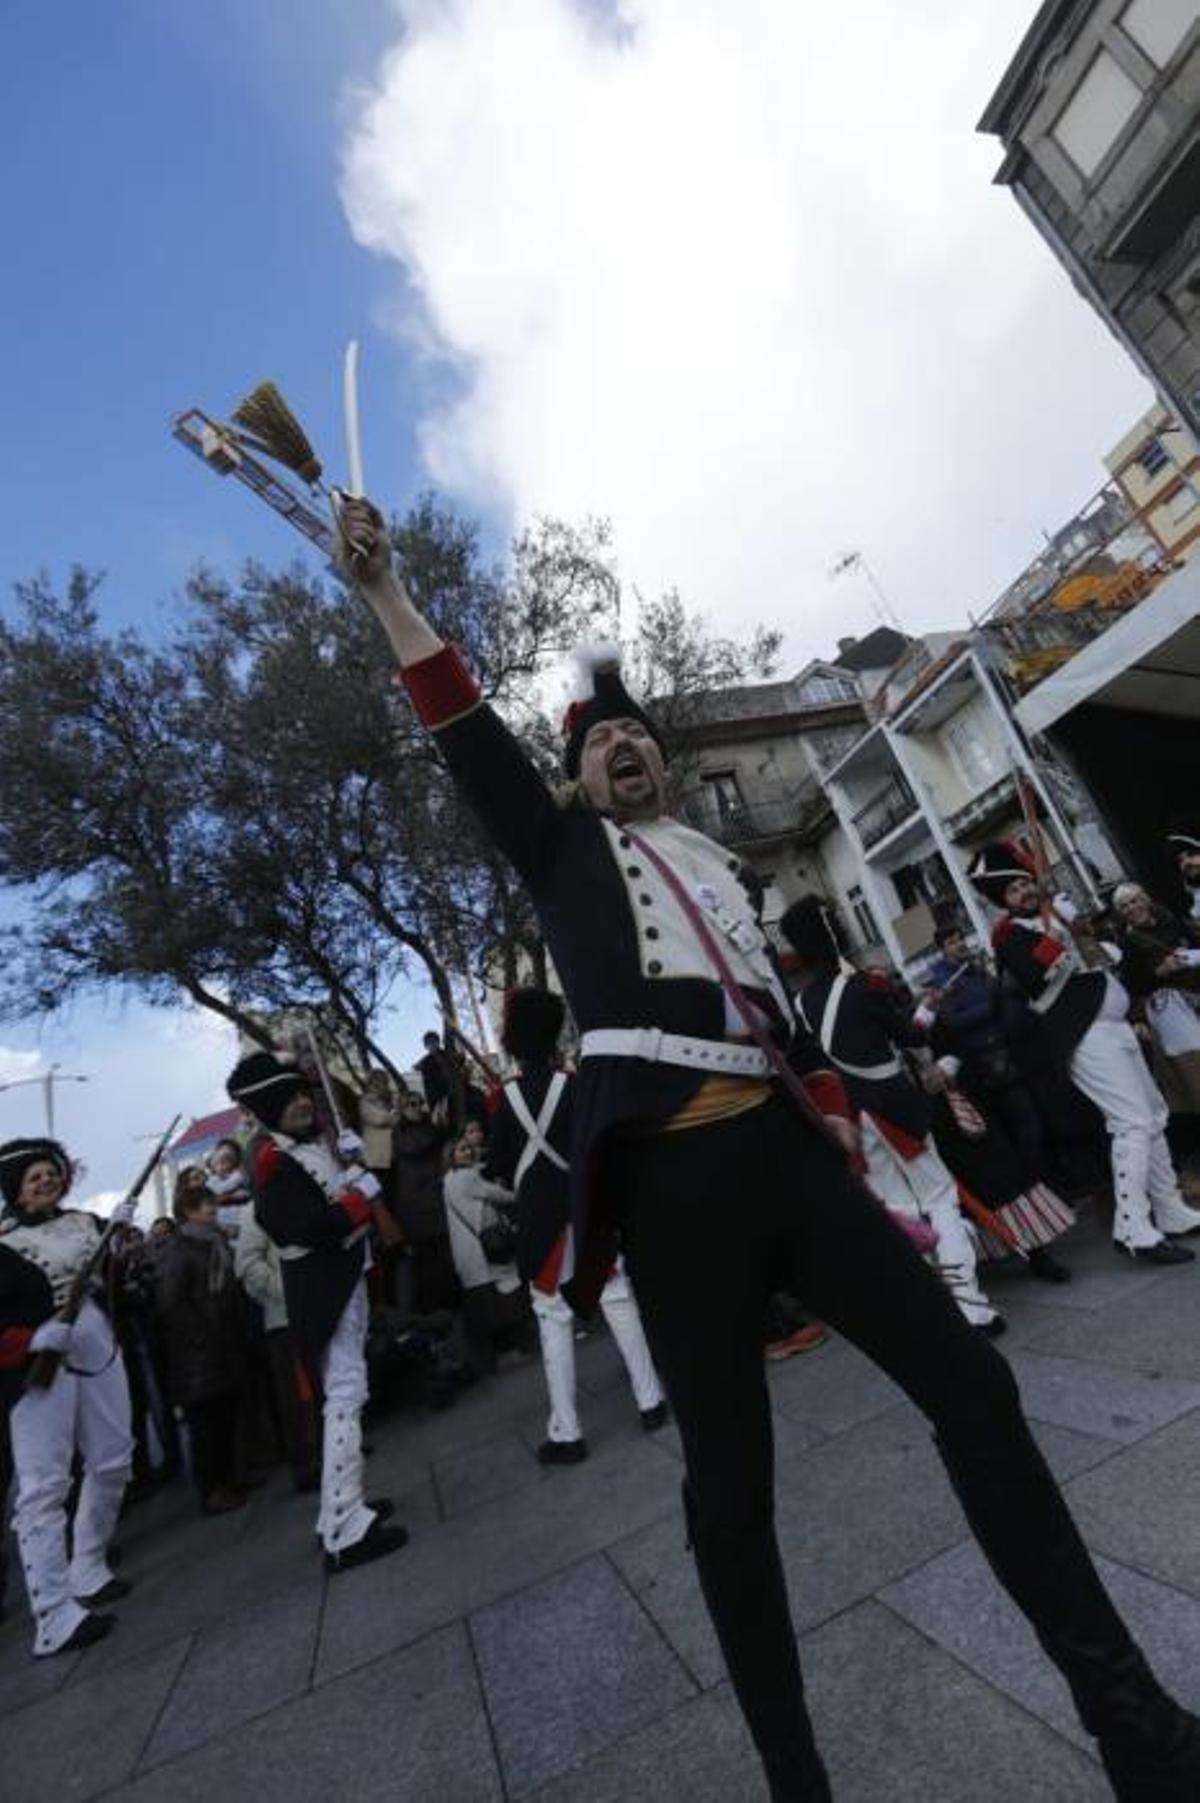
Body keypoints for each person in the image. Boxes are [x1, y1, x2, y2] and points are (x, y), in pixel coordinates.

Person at [339, 491, 1200, 1799]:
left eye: (638, 734)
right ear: (576, 778)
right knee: (732, 1494)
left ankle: (1133, 1721)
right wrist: (386, 592)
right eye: (600, 740)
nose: (624, 744)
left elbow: (784, 1034)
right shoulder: (561, 848)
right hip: (674, 1190)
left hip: (789, 1163)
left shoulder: (717, 866)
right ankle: (797, 1779)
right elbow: (465, 732)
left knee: (976, 1390)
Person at [968, 841, 1200, 1265]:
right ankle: (1132, 1227)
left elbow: (1106, 959)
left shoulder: (1054, 917)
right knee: (1130, 1123)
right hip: (1082, 1035)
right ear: (1003, 900)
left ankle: (1170, 1210)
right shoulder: (1009, 934)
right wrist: (1060, 931)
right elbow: (1036, 974)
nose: (1025, 891)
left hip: (1115, 1025)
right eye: (1014, 889)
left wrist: (1077, 928)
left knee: (1153, 1116)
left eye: (1025, 882)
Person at [781, 896, 1003, 1334]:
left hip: (852, 1116)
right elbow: (911, 1035)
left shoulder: (801, 1004)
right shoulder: (866, 984)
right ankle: (970, 1307)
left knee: (900, 1210)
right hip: (893, 1107)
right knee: (939, 1198)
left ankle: (932, 1311)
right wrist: (927, 1009)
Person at [227, 1049, 408, 1572]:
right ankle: (346, 1526)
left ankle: (338, 1511)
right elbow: (302, 1226)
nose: (302, 1104)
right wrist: (357, 1197)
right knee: (345, 1396)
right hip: (322, 1286)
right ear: (269, 1110)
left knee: (348, 1393)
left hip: (343, 1277)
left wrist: (355, 1166)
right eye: (289, 1100)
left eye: (302, 1095)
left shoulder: (307, 1149)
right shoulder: (272, 1161)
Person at [486, 985, 666, 1462]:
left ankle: (567, 1432)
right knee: (617, 1298)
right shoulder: (576, 1084)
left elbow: (498, 1163)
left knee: (553, 1319)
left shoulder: (503, 1100)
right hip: (585, 1209)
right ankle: (651, 1402)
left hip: (540, 1221)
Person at [0, 1138, 133, 1656]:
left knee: (114, 1456)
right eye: (33, 1177)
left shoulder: (83, 1223)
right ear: (15, 1191)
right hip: (35, 1357)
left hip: (93, 1334)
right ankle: (52, 1612)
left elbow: (112, 1279)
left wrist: (117, 1240)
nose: (45, 1181)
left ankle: (89, 1566)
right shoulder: (4, 1242)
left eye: (49, 1173)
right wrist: (29, 1341)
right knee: (44, 1484)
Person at [156, 1179, 248, 1516]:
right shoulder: (179, 1249)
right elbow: (170, 1301)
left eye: (211, 1202)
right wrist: (200, 1334)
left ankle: (230, 1480)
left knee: (224, 1419)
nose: (211, 1209)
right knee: (205, 1427)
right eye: (203, 1204)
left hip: (222, 1344)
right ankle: (212, 1490)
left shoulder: (214, 1241)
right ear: (187, 1212)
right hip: (198, 1354)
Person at [234, 1204, 320, 1493]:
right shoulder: (255, 1210)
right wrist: (282, 1289)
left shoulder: (303, 1195)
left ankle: (330, 1447)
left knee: (323, 1384)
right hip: (284, 1318)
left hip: (318, 1309)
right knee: (297, 1397)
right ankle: (307, 1462)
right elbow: (247, 1264)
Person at [443, 1129, 537, 1375]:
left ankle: (502, 1354)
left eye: (467, 1148)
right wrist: (518, 1195)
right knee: (503, 1302)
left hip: (469, 1252)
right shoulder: (467, 1178)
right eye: (461, 1149)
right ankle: (513, 1351)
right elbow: (497, 1194)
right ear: (451, 1155)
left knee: (487, 1306)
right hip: (484, 1248)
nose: (467, 1152)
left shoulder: (449, 1179)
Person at [1112, 882, 1200, 1123]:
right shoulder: (1128, 942)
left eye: (1134, 900)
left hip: (1195, 990)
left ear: (1146, 899)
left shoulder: (1171, 920)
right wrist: (1160, 971)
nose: (1132, 908)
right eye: (1124, 906)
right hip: (1170, 1008)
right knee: (1192, 1062)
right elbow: (1132, 985)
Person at [392, 1090, 458, 1314]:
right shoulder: (400, 1131)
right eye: (412, 1104)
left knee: (442, 1257)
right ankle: (429, 1309)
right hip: (417, 1207)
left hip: (434, 1200)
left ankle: (446, 1304)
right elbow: (415, 1147)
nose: (418, 1107)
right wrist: (436, 1127)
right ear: (402, 1108)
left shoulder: (427, 1127)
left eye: (420, 1102)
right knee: (425, 1262)